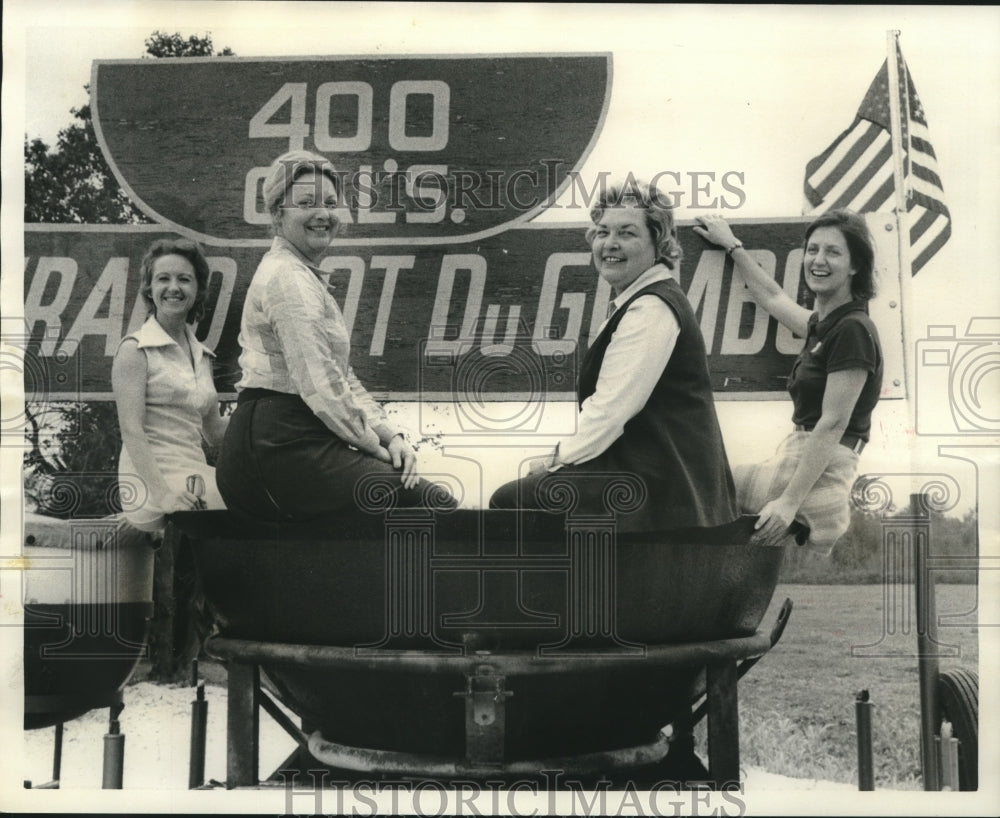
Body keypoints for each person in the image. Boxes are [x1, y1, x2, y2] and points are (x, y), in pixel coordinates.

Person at [215, 150, 455, 521]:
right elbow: (319, 384)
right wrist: (374, 446)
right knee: (431, 504)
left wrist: (392, 436)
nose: (323, 213)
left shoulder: (302, 276)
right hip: (277, 446)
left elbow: (340, 375)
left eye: (330, 202)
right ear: (278, 214)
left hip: (286, 442)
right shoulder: (287, 278)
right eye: (306, 202)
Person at [490, 180, 739, 532]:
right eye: (602, 232)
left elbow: (610, 411)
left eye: (627, 233)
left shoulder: (651, 307)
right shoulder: (641, 301)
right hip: (651, 480)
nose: (610, 244)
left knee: (511, 500)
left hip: (660, 490)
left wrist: (554, 459)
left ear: (659, 243)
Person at [693, 210, 883, 554]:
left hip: (818, 473)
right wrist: (732, 245)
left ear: (856, 266)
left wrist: (788, 503)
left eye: (833, 252)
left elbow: (833, 422)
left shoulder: (852, 330)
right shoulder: (824, 325)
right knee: (710, 502)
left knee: (699, 484)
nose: (818, 260)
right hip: (802, 461)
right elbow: (773, 297)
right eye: (813, 250)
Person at [112, 238, 228, 533]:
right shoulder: (135, 349)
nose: (173, 287)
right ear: (149, 288)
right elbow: (131, 430)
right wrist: (163, 495)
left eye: (184, 279)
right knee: (238, 502)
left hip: (192, 474)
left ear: (198, 289)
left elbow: (214, 433)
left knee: (256, 496)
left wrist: (263, 415)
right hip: (148, 483)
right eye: (163, 278)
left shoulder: (202, 355)